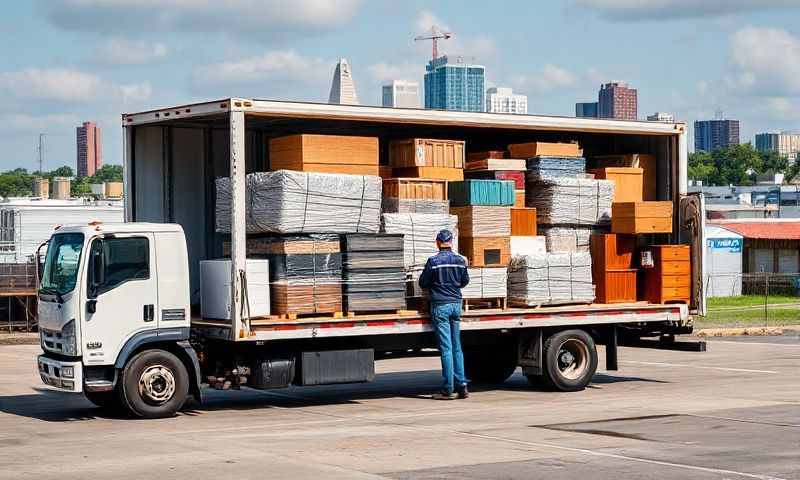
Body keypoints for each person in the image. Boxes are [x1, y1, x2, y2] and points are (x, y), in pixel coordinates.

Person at [418, 229, 470, 400]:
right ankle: (462, 385)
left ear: (437, 242)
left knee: (446, 348)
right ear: (451, 242)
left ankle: (448, 389)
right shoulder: (460, 261)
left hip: (440, 305)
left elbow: (423, 282)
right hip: (456, 304)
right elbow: (464, 282)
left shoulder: (433, 261)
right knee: (457, 347)